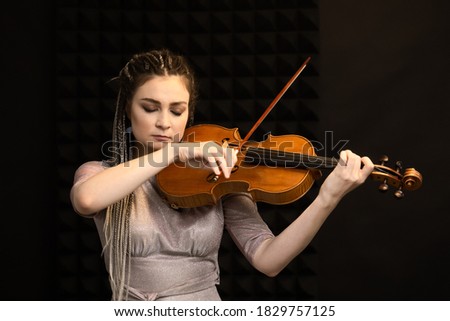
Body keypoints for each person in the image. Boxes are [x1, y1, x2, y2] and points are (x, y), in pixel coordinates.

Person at [70, 48, 374, 301]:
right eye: (150, 108)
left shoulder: (215, 175)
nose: (165, 122)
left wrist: (326, 199)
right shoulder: (99, 174)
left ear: (190, 113)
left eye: (177, 111)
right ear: (127, 109)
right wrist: (173, 152)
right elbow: (86, 199)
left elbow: (269, 260)